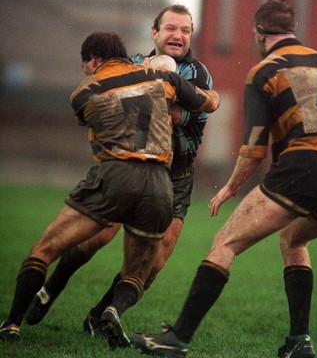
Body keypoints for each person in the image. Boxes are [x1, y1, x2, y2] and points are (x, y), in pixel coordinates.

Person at [130, 0, 317, 358]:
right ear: (292, 31)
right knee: (293, 238)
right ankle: (299, 341)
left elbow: (254, 149)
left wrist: (229, 189)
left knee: (225, 242)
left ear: (259, 34)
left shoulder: (265, 71)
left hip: (300, 169)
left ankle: (177, 339)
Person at [0, 31, 219, 347]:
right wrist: (212, 97)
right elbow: (208, 102)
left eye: (85, 65)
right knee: (135, 273)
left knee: (44, 250)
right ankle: (113, 310)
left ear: (93, 61)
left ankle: (11, 324)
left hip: (115, 176)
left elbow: (95, 120)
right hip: (160, 183)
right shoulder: (161, 77)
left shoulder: (83, 93)